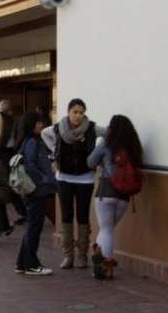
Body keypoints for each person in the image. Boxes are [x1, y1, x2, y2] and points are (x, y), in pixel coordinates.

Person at [41, 98, 105, 269]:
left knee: (83, 215)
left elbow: (109, 133)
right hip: (64, 177)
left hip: (85, 177)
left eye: (81, 113)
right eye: (75, 112)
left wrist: (99, 156)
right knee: (66, 215)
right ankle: (68, 255)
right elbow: (43, 134)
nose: (78, 116)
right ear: (68, 112)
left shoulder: (91, 128)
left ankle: (82, 255)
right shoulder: (57, 128)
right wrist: (55, 150)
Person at [86, 114, 143, 280]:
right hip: (124, 195)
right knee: (107, 230)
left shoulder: (107, 143)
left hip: (106, 190)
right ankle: (99, 256)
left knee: (106, 230)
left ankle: (107, 265)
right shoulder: (134, 146)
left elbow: (90, 162)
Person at [14, 111, 57, 276]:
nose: (41, 125)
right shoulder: (32, 142)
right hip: (36, 191)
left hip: (33, 191)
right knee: (34, 228)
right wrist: (43, 179)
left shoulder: (28, 141)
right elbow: (30, 165)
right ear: (32, 125)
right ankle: (31, 264)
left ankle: (22, 263)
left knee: (32, 227)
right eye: (39, 123)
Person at [0, 99, 20, 241]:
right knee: (1, 197)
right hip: (6, 164)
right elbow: (15, 145)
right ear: (11, 111)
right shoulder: (13, 126)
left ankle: (1, 228)